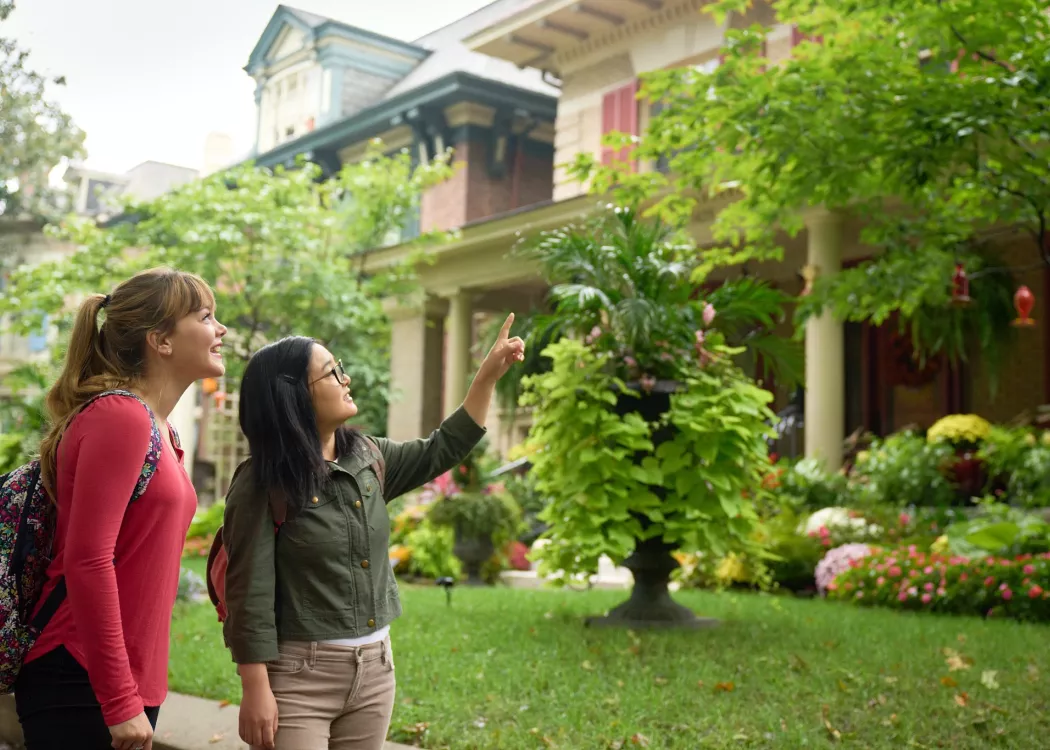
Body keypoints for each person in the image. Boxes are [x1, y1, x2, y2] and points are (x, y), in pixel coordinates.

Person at [222, 314, 525, 750]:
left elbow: (444, 446)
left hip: (375, 671)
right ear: (292, 397)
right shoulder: (261, 482)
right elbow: (247, 592)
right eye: (331, 373)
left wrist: (487, 377)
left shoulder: (369, 457)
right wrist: (255, 688)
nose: (346, 380)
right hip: (298, 678)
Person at [14, 268, 227, 750]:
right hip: (81, 678)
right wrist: (119, 701)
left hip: (119, 680)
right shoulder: (121, 417)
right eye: (206, 316)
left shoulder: (160, 430)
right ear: (161, 342)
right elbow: (88, 560)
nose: (221, 329)